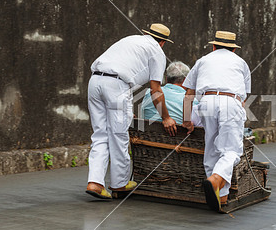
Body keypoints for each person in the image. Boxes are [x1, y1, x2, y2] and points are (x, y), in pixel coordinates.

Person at [86, 23, 177, 200]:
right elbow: (156, 89)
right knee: (119, 135)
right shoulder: (157, 52)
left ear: (146, 34)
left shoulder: (130, 40)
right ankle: (120, 183)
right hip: (117, 86)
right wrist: (165, 117)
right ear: (163, 43)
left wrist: (125, 109)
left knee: (100, 134)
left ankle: (95, 182)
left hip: (95, 82)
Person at [182, 31, 251, 211]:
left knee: (211, 150)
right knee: (231, 151)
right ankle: (215, 180)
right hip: (230, 101)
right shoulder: (241, 63)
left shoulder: (203, 60)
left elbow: (188, 94)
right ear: (233, 50)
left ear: (213, 46)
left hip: (206, 101)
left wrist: (187, 120)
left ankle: (221, 198)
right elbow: (242, 99)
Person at [140, 61, 200, 125]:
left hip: (146, 134)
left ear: (166, 78)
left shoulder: (148, 93)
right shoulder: (194, 101)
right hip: (178, 134)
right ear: (185, 80)